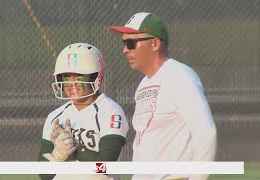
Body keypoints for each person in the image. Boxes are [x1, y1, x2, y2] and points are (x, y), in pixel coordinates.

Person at [109, 12, 217, 180]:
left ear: (155, 44)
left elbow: (205, 131)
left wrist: (198, 177)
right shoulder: (144, 84)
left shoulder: (179, 76)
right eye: (124, 43)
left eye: (131, 43)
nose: (125, 50)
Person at [38, 43, 129, 180]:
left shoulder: (110, 111)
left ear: (95, 78)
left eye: (78, 76)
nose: (71, 83)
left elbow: (105, 167)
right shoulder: (55, 117)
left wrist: (75, 149)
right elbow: (44, 174)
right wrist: (57, 155)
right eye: (67, 76)